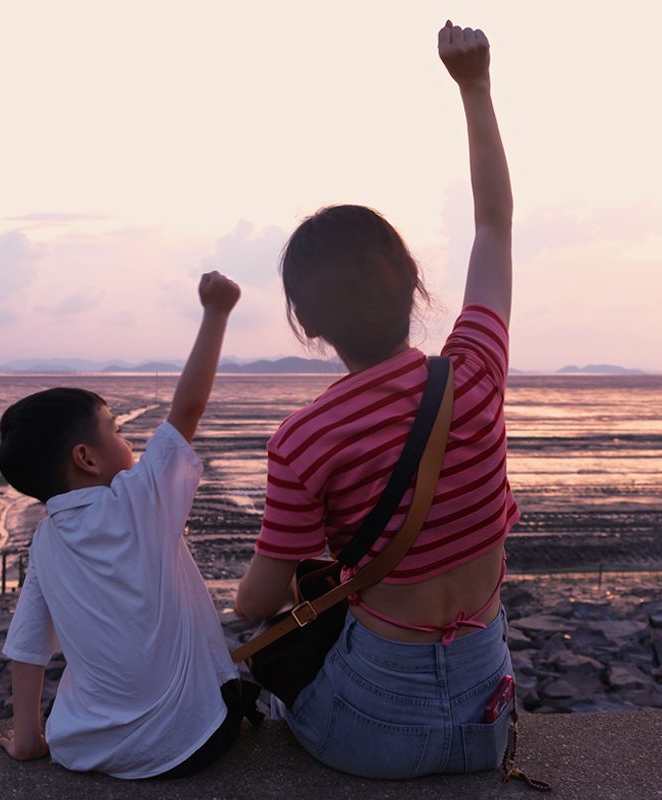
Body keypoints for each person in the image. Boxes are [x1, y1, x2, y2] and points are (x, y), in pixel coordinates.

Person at [234, 21, 518, 779]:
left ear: (307, 324)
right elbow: (494, 225)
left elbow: (256, 599)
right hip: (492, 719)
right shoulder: (476, 371)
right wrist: (475, 88)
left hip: (374, 733)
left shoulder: (305, 438)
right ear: (414, 282)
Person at [0, 271, 245, 779]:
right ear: (86, 458)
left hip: (84, 748)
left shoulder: (44, 541)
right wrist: (216, 312)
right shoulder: (138, 498)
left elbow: (27, 644)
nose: (129, 442)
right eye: (116, 429)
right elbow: (188, 409)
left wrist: (28, 736)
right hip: (193, 737)